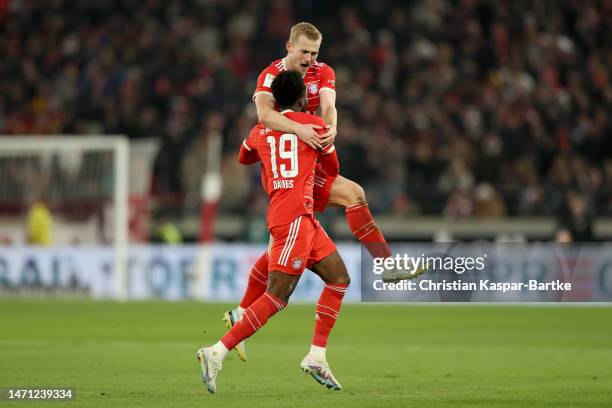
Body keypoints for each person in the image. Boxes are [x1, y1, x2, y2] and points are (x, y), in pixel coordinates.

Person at [223, 21, 421, 362]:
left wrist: (330, 128)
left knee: (345, 201)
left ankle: (242, 313)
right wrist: (303, 131)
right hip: (286, 167)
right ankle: (385, 265)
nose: (310, 59)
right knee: (348, 197)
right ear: (289, 46)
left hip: (307, 157)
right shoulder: (270, 75)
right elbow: (264, 116)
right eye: (304, 52)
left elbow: (329, 106)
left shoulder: (323, 72)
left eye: (314, 53)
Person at [197, 71, 348, 394]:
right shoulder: (315, 125)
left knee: (338, 278)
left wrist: (270, 155)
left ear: (274, 101)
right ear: (303, 99)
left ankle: (317, 356)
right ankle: (216, 352)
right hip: (294, 217)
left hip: (294, 215)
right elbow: (333, 169)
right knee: (277, 297)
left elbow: (243, 155)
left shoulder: (261, 128)